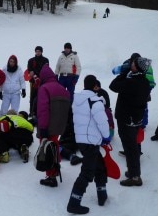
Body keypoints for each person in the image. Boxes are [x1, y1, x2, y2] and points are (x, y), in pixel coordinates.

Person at [67, 75, 110, 214]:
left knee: (100, 166)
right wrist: (106, 136)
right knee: (87, 173)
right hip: (91, 141)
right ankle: (74, 203)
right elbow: (102, 122)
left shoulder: (77, 100)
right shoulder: (95, 101)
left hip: (81, 140)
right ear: (93, 86)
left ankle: (102, 195)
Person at [109, 57, 151, 187]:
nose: (130, 64)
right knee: (132, 148)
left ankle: (135, 177)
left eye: (133, 63)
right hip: (135, 119)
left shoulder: (132, 82)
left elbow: (113, 86)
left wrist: (122, 73)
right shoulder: (144, 81)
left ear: (137, 67)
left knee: (130, 148)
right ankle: (133, 172)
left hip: (127, 119)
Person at [37, 64, 70, 187]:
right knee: (54, 146)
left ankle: (51, 177)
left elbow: (43, 110)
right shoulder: (63, 89)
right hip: (59, 126)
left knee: (46, 150)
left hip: (48, 125)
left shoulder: (44, 88)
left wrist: (43, 127)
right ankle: (56, 168)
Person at [27, 46, 49, 117]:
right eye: (36, 51)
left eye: (39, 51)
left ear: (41, 52)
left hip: (42, 82)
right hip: (33, 82)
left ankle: (40, 112)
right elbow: (29, 70)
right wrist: (33, 73)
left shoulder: (45, 60)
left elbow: (45, 70)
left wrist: (35, 72)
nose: (38, 52)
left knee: (41, 97)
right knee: (32, 97)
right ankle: (31, 112)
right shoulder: (31, 60)